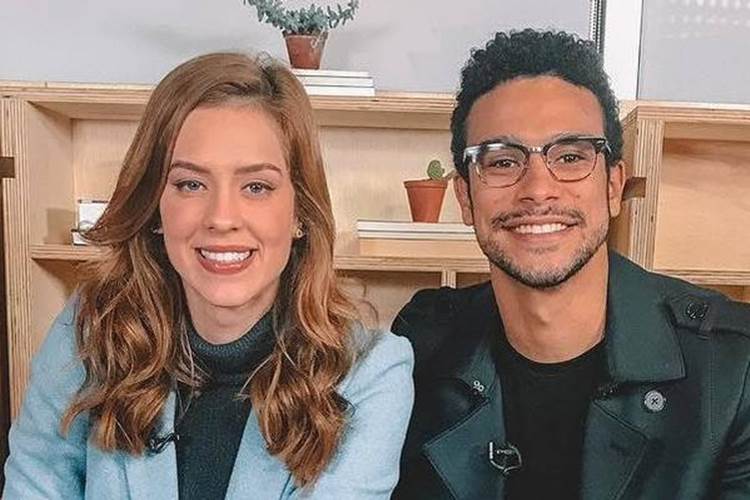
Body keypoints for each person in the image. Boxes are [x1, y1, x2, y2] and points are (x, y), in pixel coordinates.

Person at [4, 52, 414, 499]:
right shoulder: (88, 331)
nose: (222, 217)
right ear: (154, 207)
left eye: (256, 187)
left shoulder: (371, 374)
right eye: (190, 184)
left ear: (299, 213)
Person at [393, 29, 750, 500]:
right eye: (502, 162)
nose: (539, 189)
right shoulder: (419, 352)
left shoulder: (732, 370)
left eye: (570, 157)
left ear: (613, 186)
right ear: (465, 196)